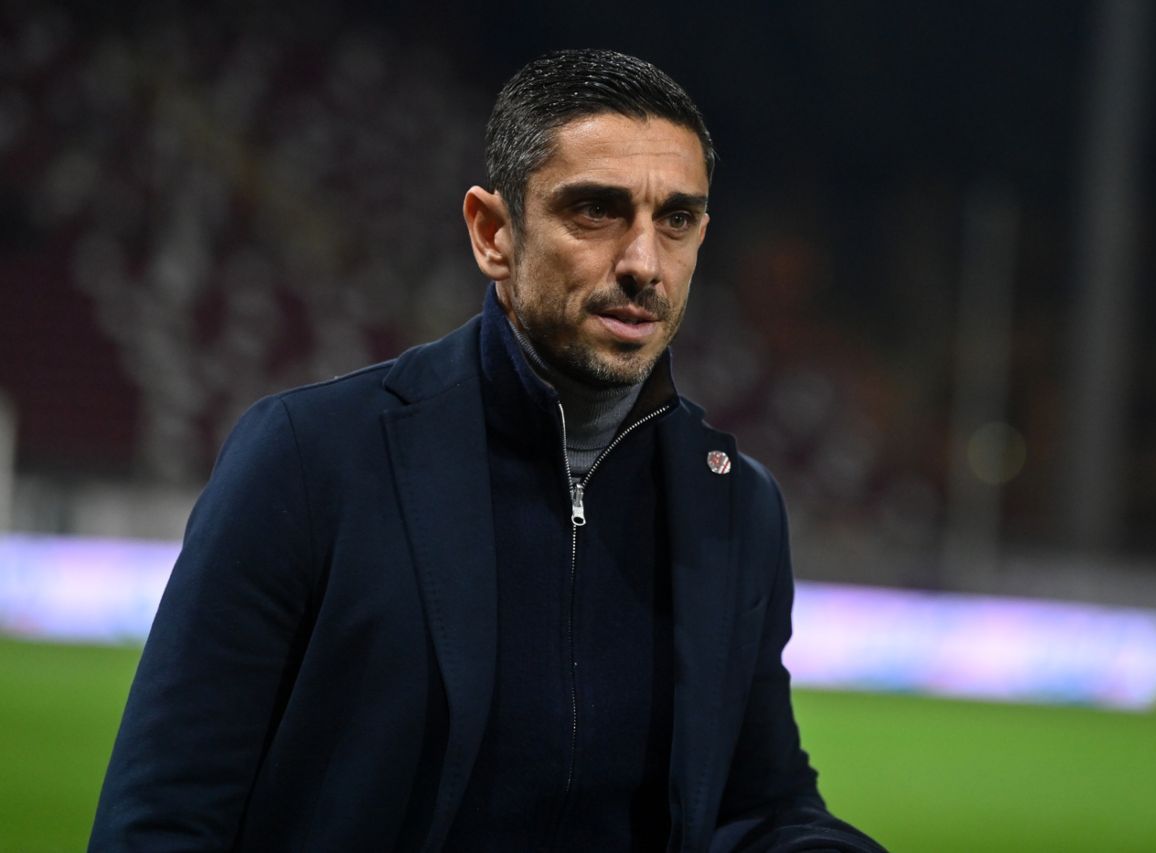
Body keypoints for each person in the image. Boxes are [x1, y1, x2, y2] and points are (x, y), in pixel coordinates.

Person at [90, 48, 887, 852]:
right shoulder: (308, 459)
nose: (645, 263)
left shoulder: (735, 505)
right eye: (596, 211)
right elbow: (163, 817)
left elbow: (759, 802)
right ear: (493, 232)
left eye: (675, 220)